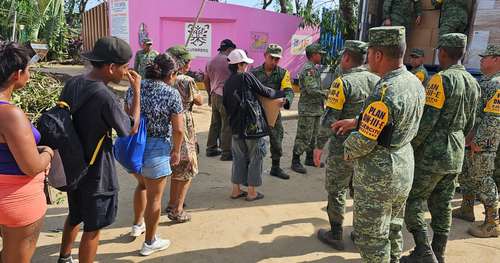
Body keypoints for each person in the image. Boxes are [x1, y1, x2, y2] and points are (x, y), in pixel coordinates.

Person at [332, 26, 426, 262]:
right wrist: (357, 121)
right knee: (393, 229)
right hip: (403, 165)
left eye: (370, 52)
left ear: (378, 55)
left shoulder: (384, 91)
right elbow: (392, 121)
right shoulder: (414, 82)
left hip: (379, 176)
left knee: (371, 238)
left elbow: (364, 142)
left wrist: (346, 150)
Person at [57, 37, 142, 263]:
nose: (125, 72)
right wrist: (137, 91)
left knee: (75, 215)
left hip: (72, 164)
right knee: (93, 228)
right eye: (124, 67)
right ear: (111, 67)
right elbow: (130, 128)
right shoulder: (106, 97)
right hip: (96, 171)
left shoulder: (72, 83)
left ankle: (64, 258)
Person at [402, 33, 480, 263]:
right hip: (456, 151)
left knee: (414, 199)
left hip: (432, 153)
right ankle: (439, 252)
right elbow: (471, 124)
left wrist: (411, 146)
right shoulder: (473, 82)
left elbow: (427, 120)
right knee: (443, 203)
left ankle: (424, 252)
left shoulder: (441, 79)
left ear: (443, 52)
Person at [313, 40, 380, 250]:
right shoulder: (378, 81)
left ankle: (335, 233)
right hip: (368, 147)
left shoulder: (343, 82)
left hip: (343, 148)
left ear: (347, 58)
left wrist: (318, 145)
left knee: (337, 189)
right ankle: (360, 233)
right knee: (360, 190)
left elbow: (329, 119)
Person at [0, 42, 53, 263]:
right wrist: (47, 152)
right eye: (28, 70)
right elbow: (31, 166)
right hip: (16, 197)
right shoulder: (10, 113)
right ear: (16, 74)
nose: (29, 76)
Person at [126, 53, 184, 255]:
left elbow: (127, 113)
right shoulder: (171, 93)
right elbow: (178, 129)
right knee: (155, 198)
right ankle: (150, 242)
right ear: (171, 74)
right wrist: (176, 151)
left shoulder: (134, 87)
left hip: (132, 148)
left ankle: (137, 224)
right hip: (157, 148)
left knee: (142, 184)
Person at [223, 49, 285, 201]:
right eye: (245, 64)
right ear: (240, 65)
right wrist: (281, 94)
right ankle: (251, 192)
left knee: (238, 158)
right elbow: (265, 91)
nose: (247, 66)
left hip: (236, 127)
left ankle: (236, 190)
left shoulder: (227, 83)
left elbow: (226, 105)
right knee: (256, 157)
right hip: (252, 127)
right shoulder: (246, 76)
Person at [452, 44, 499, 238]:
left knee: (482, 178)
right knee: (467, 174)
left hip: (484, 141)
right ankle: (466, 208)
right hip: (474, 138)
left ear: (496, 59)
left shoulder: (496, 84)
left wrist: (480, 139)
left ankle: (491, 223)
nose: (481, 60)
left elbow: (494, 117)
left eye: (485, 57)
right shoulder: (487, 81)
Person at [166, 45, 203, 223]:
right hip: (183, 122)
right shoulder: (186, 80)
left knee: (176, 167)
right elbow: (199, 100)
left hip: (166, 124)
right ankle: (177, 210)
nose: (189, 64)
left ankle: (172, 203)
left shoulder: (163, 79)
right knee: (188, 167)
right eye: (187, 61)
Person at [251, 44, 294, 180]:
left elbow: (288, 90)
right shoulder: (254, 73)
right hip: (256, 113)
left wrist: (286, 100)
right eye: (272, 58)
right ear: (265, 56)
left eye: (277, 59)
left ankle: (275, 167)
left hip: (273, 113)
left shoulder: (283, 73)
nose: (274, 62)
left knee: (277, 139)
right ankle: (252, 168)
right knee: (254, 140)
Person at [291, 43, 327, 174]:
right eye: (319, 54)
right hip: (308, 109)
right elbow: (311, 89)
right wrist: (326, 93)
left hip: (316, 108)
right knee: (304, 136)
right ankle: (295, 161)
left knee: (314, 136)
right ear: (313, 55)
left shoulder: (314, 68)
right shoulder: (308, 69)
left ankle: (309, 158)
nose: (321, 56)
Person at [204, 39, 236, 160]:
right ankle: (226, 152)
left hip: (214, 94)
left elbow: (205, 80)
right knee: (227, 124)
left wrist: (209, 95)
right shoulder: (230, 61)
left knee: (215, 122)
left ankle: (211, 148)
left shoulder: (211, 61)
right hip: (225, 96)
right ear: (229, 49)